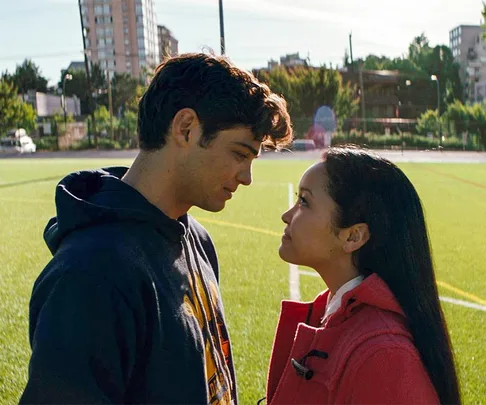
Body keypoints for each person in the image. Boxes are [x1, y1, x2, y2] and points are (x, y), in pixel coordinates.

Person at [20, 53, 292, 404]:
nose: (247, 177)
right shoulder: (87, 276)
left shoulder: (196, 238)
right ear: (185, 128)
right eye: (240, 154)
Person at [265, 147, 461, 404]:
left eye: (304, 201)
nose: (287, 216)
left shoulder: (385, 355)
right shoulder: (336, 314)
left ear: (353, 236)